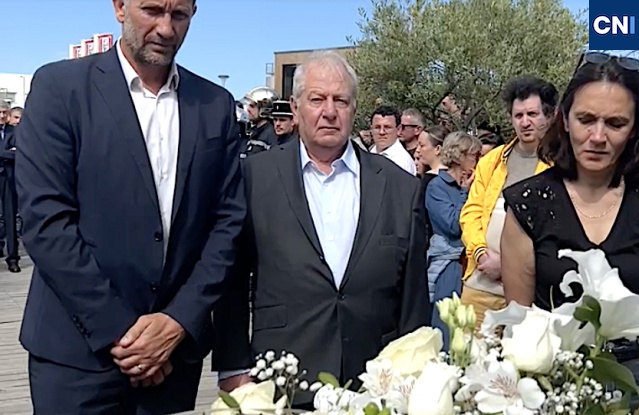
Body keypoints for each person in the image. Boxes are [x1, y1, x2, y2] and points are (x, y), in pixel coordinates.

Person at [16, 0, 246, 413]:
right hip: (75, 358)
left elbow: (227, 224)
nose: (166, 28)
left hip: (171, 358)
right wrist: (125, 335)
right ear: (120, 7)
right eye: (152, 10)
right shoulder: (60, 89)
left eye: (179, 15)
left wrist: (179, 321)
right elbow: (45, 221)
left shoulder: (214, 105)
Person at [216, 51, 430, 405]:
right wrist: (232, 367)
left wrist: (414, 378)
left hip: (376, 383)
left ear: (353, 108)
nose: (329, 111)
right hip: (281, 382)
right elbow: (231, 281)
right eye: (317, 99)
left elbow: (413, 298)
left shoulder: (400, 187)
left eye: (340, 100)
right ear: (296, 107)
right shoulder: (254, 177)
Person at [500, 52, 639, 386]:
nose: (598, 137)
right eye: (586, 119)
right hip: (556, 380)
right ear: (564, 120)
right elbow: (519, 322)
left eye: (616, 124)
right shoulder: (528, 204)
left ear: (634, 129)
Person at [459, 76, 557, 329]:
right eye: (518, 115)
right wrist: (481, 254)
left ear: (549, 116)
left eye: (532, 114)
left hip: (532, 295)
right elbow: (471, 212)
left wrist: (510, 267)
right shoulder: (492, 160)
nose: (525, 122)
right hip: (480, 286)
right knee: (469, 352)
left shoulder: (561, 164)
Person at [426, 132, 481, 349]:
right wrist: (465, 193)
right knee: (447, 327)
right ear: (460, 156)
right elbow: (453, 225)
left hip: (471, 262)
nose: (478, 161)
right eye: (474, 156)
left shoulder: (477, 184)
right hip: (449, 264)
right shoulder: (437, 186)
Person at [369, 106, 417, 175]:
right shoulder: (369, 153)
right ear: (371, 129)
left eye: (387, 127)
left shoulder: (402, 161)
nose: (382, 132)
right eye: (377, 127)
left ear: (399, 129)